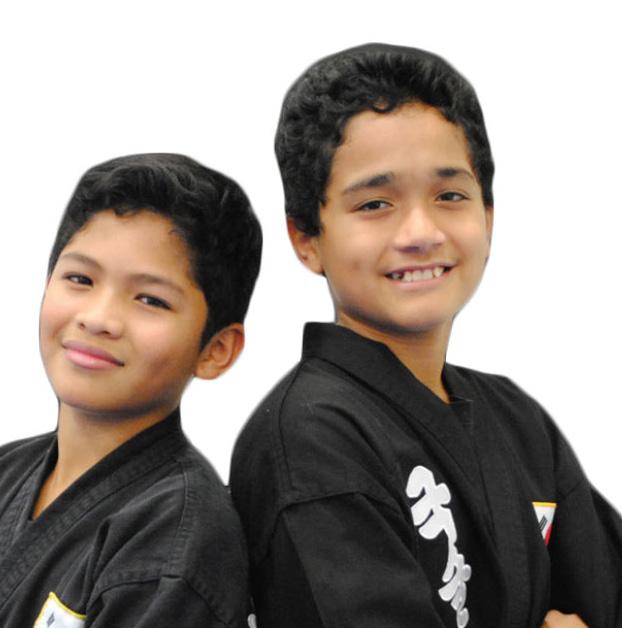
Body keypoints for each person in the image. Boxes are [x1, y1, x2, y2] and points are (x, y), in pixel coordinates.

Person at [230, 44, 622, 627]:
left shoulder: (516, 419)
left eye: (450, 196)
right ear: (307, 239)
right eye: (375, 203)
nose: (420, 232)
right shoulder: (312, 440)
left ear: (488, 217)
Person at [0, 153, 262, 627]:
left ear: (216, 350)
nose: (98, 318)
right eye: (80, 279)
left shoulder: (176, 544)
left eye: (150, 299)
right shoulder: (8, 470)